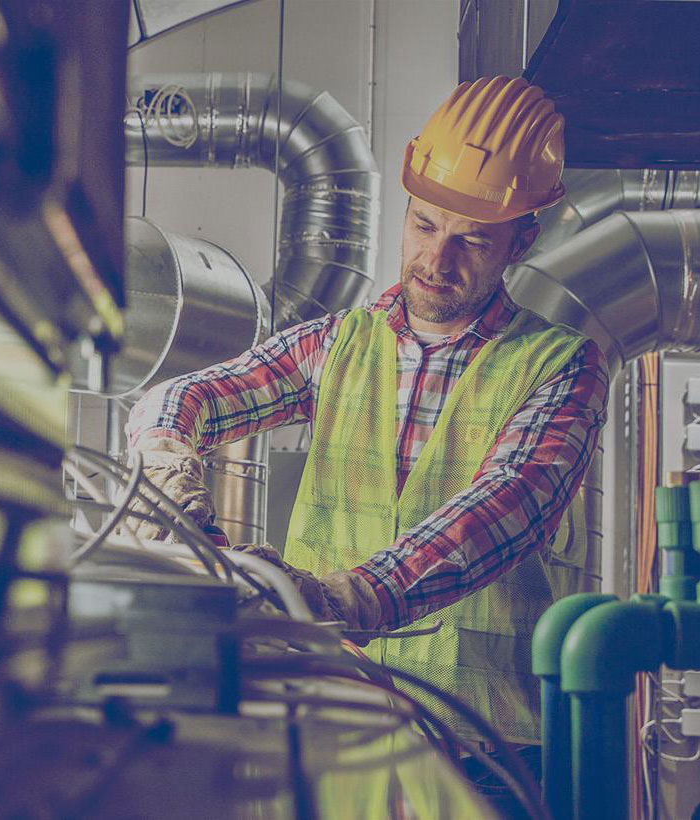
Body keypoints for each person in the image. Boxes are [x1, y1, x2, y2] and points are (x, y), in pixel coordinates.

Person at [125, 75, 609, 809]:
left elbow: (509, 504)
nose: (436, 261)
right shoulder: (337, 343)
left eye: (471, 240)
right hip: (333, 719)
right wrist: (165, 463)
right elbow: (183, 396)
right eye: (423, 225)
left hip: (486, 745)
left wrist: (336, 596)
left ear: (523, 238)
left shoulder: (559, 365)